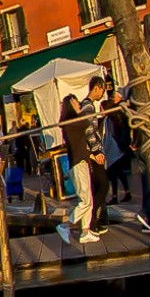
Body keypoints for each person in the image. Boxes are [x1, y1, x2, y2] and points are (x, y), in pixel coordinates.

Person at [58, 79, 106, 244]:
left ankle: (85, 231)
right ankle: (66, 225)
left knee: (88, 199)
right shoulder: (71, 123)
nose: (79, 104)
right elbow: (86, 123)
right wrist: (80, 111)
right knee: (85, 201)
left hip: (81, 162)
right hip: (77, 164)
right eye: (76, 103)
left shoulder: (73, 123)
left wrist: (92, 156)